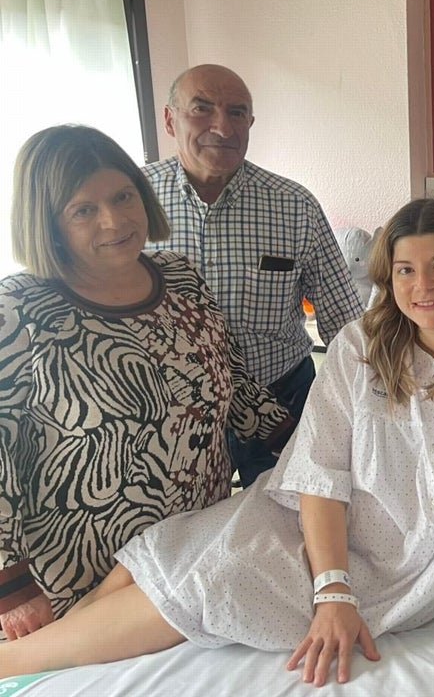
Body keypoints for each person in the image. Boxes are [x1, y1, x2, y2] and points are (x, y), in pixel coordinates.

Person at [0, 193, 434, 685]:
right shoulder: (361, 344)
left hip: (407, 547)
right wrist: (333, 591)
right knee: (158, 552)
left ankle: (17, 665)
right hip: (314, 515)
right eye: (405, 271)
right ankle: (45, 647)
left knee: (216, 577)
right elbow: (318, 472)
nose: (423, 286)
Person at [0, 126, 294, 641]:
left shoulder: (180, 277)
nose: (114, 220)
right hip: (81, 584)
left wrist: (302, 442)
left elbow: (232, 378)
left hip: (192, 558)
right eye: (83, 209)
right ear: (47, 222)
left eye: (123, 196)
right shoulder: (17, 312)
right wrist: (11, 587)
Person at [144, 64, 363, 488]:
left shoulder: (294, 205)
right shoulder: (132, 202)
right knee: (188, 535)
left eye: (237, 112)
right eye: (202, 109)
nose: (222, 127)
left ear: (251, 122)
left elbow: (346, 323)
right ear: (170, 119)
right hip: (173, 409)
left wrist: (366, 409)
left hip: (282, 400)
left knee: (292, 518)